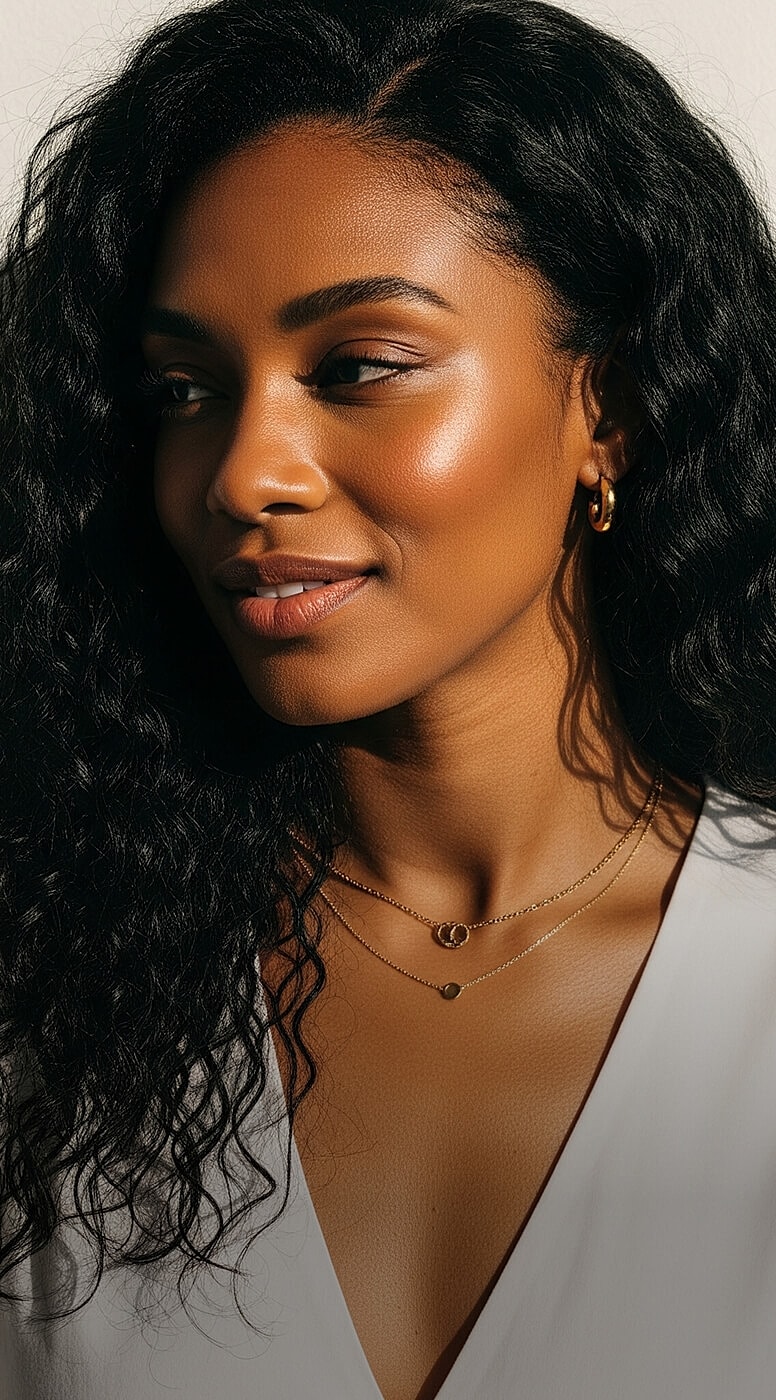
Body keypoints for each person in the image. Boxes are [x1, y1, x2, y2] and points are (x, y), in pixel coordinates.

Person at [1, 0, 775, 1396]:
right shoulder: (58, 1015)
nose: (244, 474)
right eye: (181, 391)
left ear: (611, 407)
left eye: (360, 366)